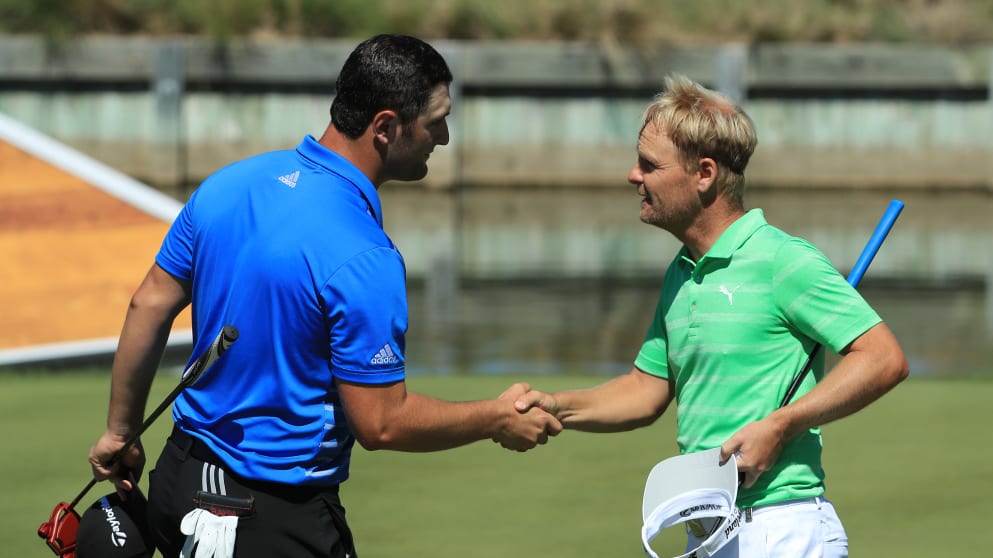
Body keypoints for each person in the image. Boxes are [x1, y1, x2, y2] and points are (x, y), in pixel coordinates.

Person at [88, 34, 561, 558]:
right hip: (270, 518)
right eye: (436, 121)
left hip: (177, 483)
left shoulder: (230, 185)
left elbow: (147, 305)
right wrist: (494, 417)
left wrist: (120, 431)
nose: (444, 138)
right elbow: (382, 421)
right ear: (385, 127)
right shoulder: (367, 256)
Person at [514, 74, 909, 557]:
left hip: (780, 530)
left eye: (649, 165)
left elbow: (883, 357)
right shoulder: (680, 273)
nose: (633, 176)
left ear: (703, 174)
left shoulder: (782, 260)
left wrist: (782, 425)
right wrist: (558, 407)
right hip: (705, 532)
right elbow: (645, 391)